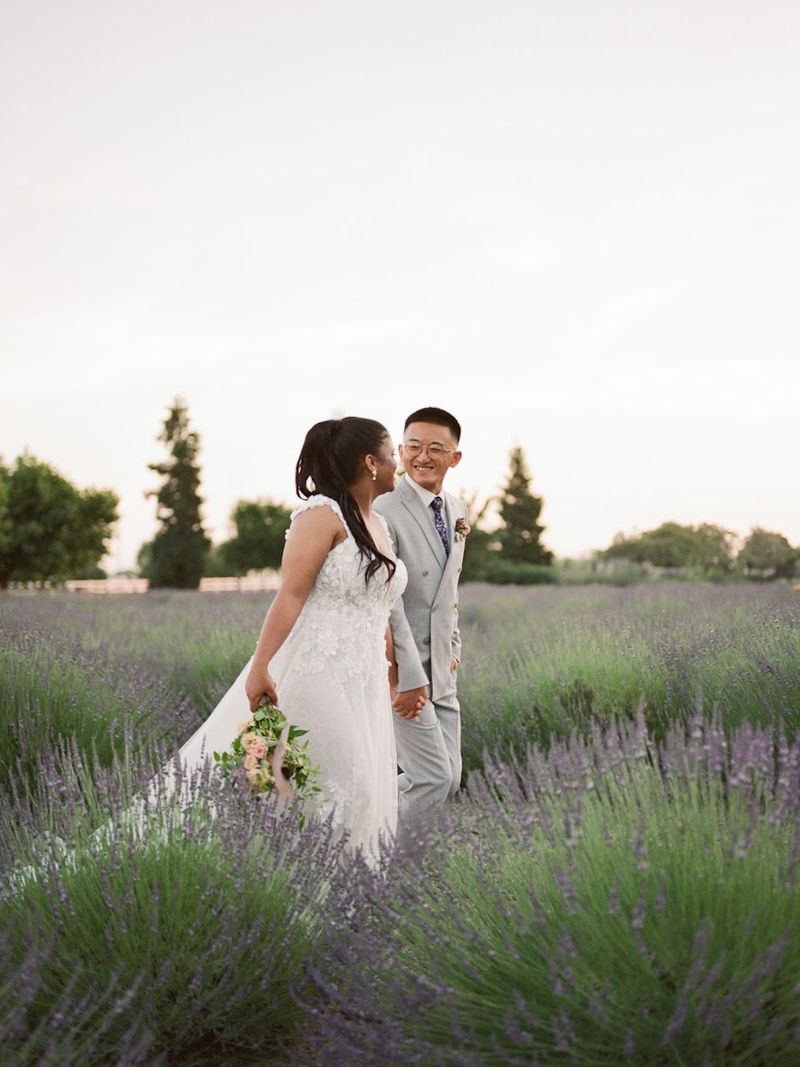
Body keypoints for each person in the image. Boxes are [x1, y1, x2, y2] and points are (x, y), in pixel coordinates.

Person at [173, 417, 422, 864]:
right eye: (391, 454)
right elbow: (290, 594)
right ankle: (290, 880)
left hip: (363, 680)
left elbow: (378, 607)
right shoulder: (320, 516)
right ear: (371, 463)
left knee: (359, 792)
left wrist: (394, 673)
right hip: (317, 671)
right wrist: (260, 666)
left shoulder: (377, 524)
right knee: (349, 784)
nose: (397, 463)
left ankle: (335, 897)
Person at [374, 407, 468, 833]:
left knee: (449, 780)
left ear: (455, 457)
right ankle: (379, 858)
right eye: (413, 446)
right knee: (433, 779)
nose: (422, 456)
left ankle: (362, 821)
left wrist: (454, 649)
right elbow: (389, 600)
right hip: (405, 672)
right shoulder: (383, 510)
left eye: (435, 448)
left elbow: (449, 592)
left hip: (443, 671)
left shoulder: (459, 508)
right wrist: (407, 675)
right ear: (401, 448)